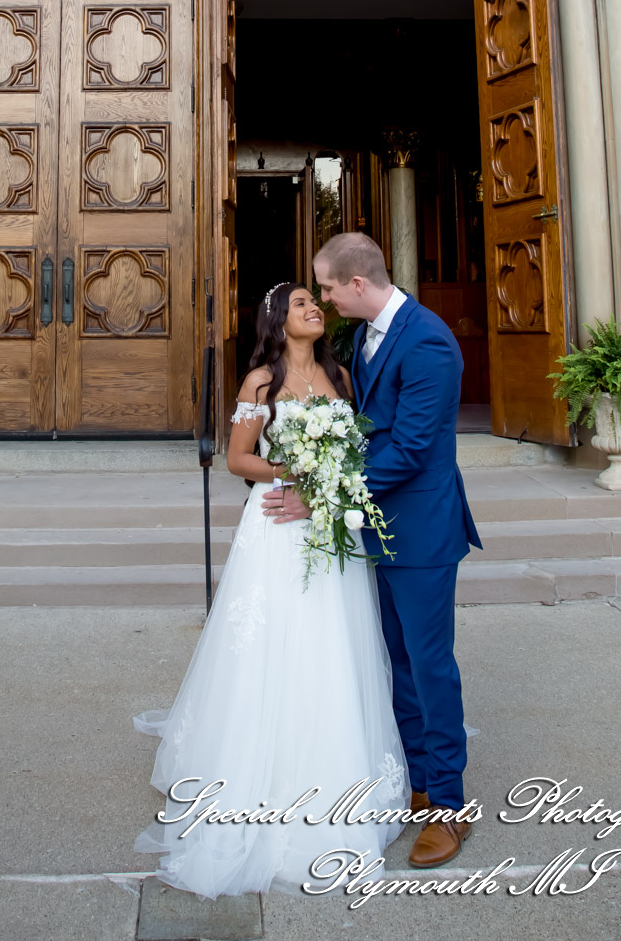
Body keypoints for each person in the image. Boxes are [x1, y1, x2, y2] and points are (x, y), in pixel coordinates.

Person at [132, 281, 411, 899]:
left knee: (332, 643)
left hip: (328, 519)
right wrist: (298, 470)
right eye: (304, 304)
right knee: (272, 643)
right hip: (279, 518)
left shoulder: (341, 374)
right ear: (280, 320)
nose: (316, 309)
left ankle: (336, 765)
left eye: (318, 301)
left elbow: (359, 445)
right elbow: (236, 457)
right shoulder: (260, 381)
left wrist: (332, 481)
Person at [284, 230, 483, 869]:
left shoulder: (427, 341)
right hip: (379, 527)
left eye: (330, 287)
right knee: (395, 659)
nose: (325, 299)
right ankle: (419, 781)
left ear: (359, 284)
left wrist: (325, 494)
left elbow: (412, 448)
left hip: (422, 530)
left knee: (430, 665)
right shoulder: (364, 337)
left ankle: (451, 808)